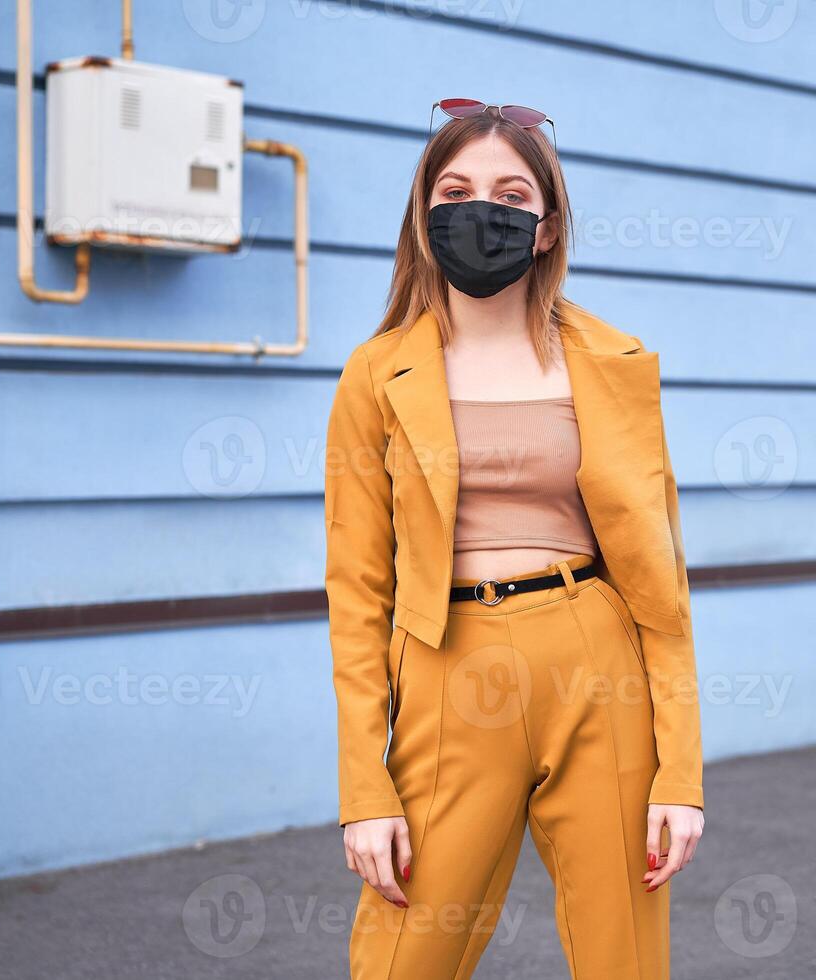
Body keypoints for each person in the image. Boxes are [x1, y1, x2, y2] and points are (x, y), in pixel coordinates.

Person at [325, 99, 704, 979]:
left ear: (545, 226)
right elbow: (356, 594)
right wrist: (362, 789)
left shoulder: (614, 364)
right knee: (404, 955)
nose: (479, 210)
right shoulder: (375, 375)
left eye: (508, 191)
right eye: (454, 190)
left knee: (625, 960)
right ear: (425, 217)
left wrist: (679, 772)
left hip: (596, 659)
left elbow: (661, 583)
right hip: (448, 670)